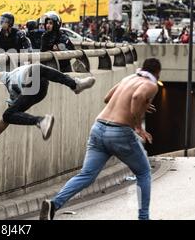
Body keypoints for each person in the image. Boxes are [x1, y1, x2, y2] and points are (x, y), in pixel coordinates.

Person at [39, 58, 161, 221]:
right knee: (144, 172)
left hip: (99, 128)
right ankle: (144, 218)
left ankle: (53, 205)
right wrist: (138, 126)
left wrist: (140, 105)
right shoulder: (151, 85)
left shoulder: (128, 79)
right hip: (120, 132)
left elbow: (107, 98)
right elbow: (138, 96)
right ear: (157, 73)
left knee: (86, 175)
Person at [0, 64, 96, 162]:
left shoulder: (7, 76)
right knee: (8, 114)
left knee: (38, 69)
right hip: (37, 92)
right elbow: (5, 120)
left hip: (38, 82)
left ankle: (75, 84)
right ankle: (40, 121)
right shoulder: (13, 97)